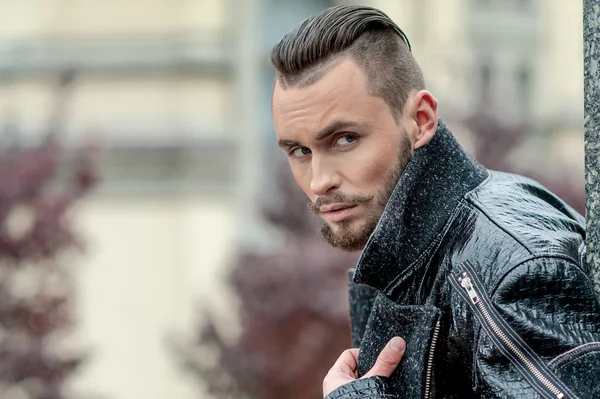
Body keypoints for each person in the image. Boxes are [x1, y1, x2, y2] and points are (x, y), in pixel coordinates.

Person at [269, 5, 600, 399]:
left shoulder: (511, 271)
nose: (320, 181)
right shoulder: (424, 244)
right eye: (299, 151)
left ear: (421, 119)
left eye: (345, 139)